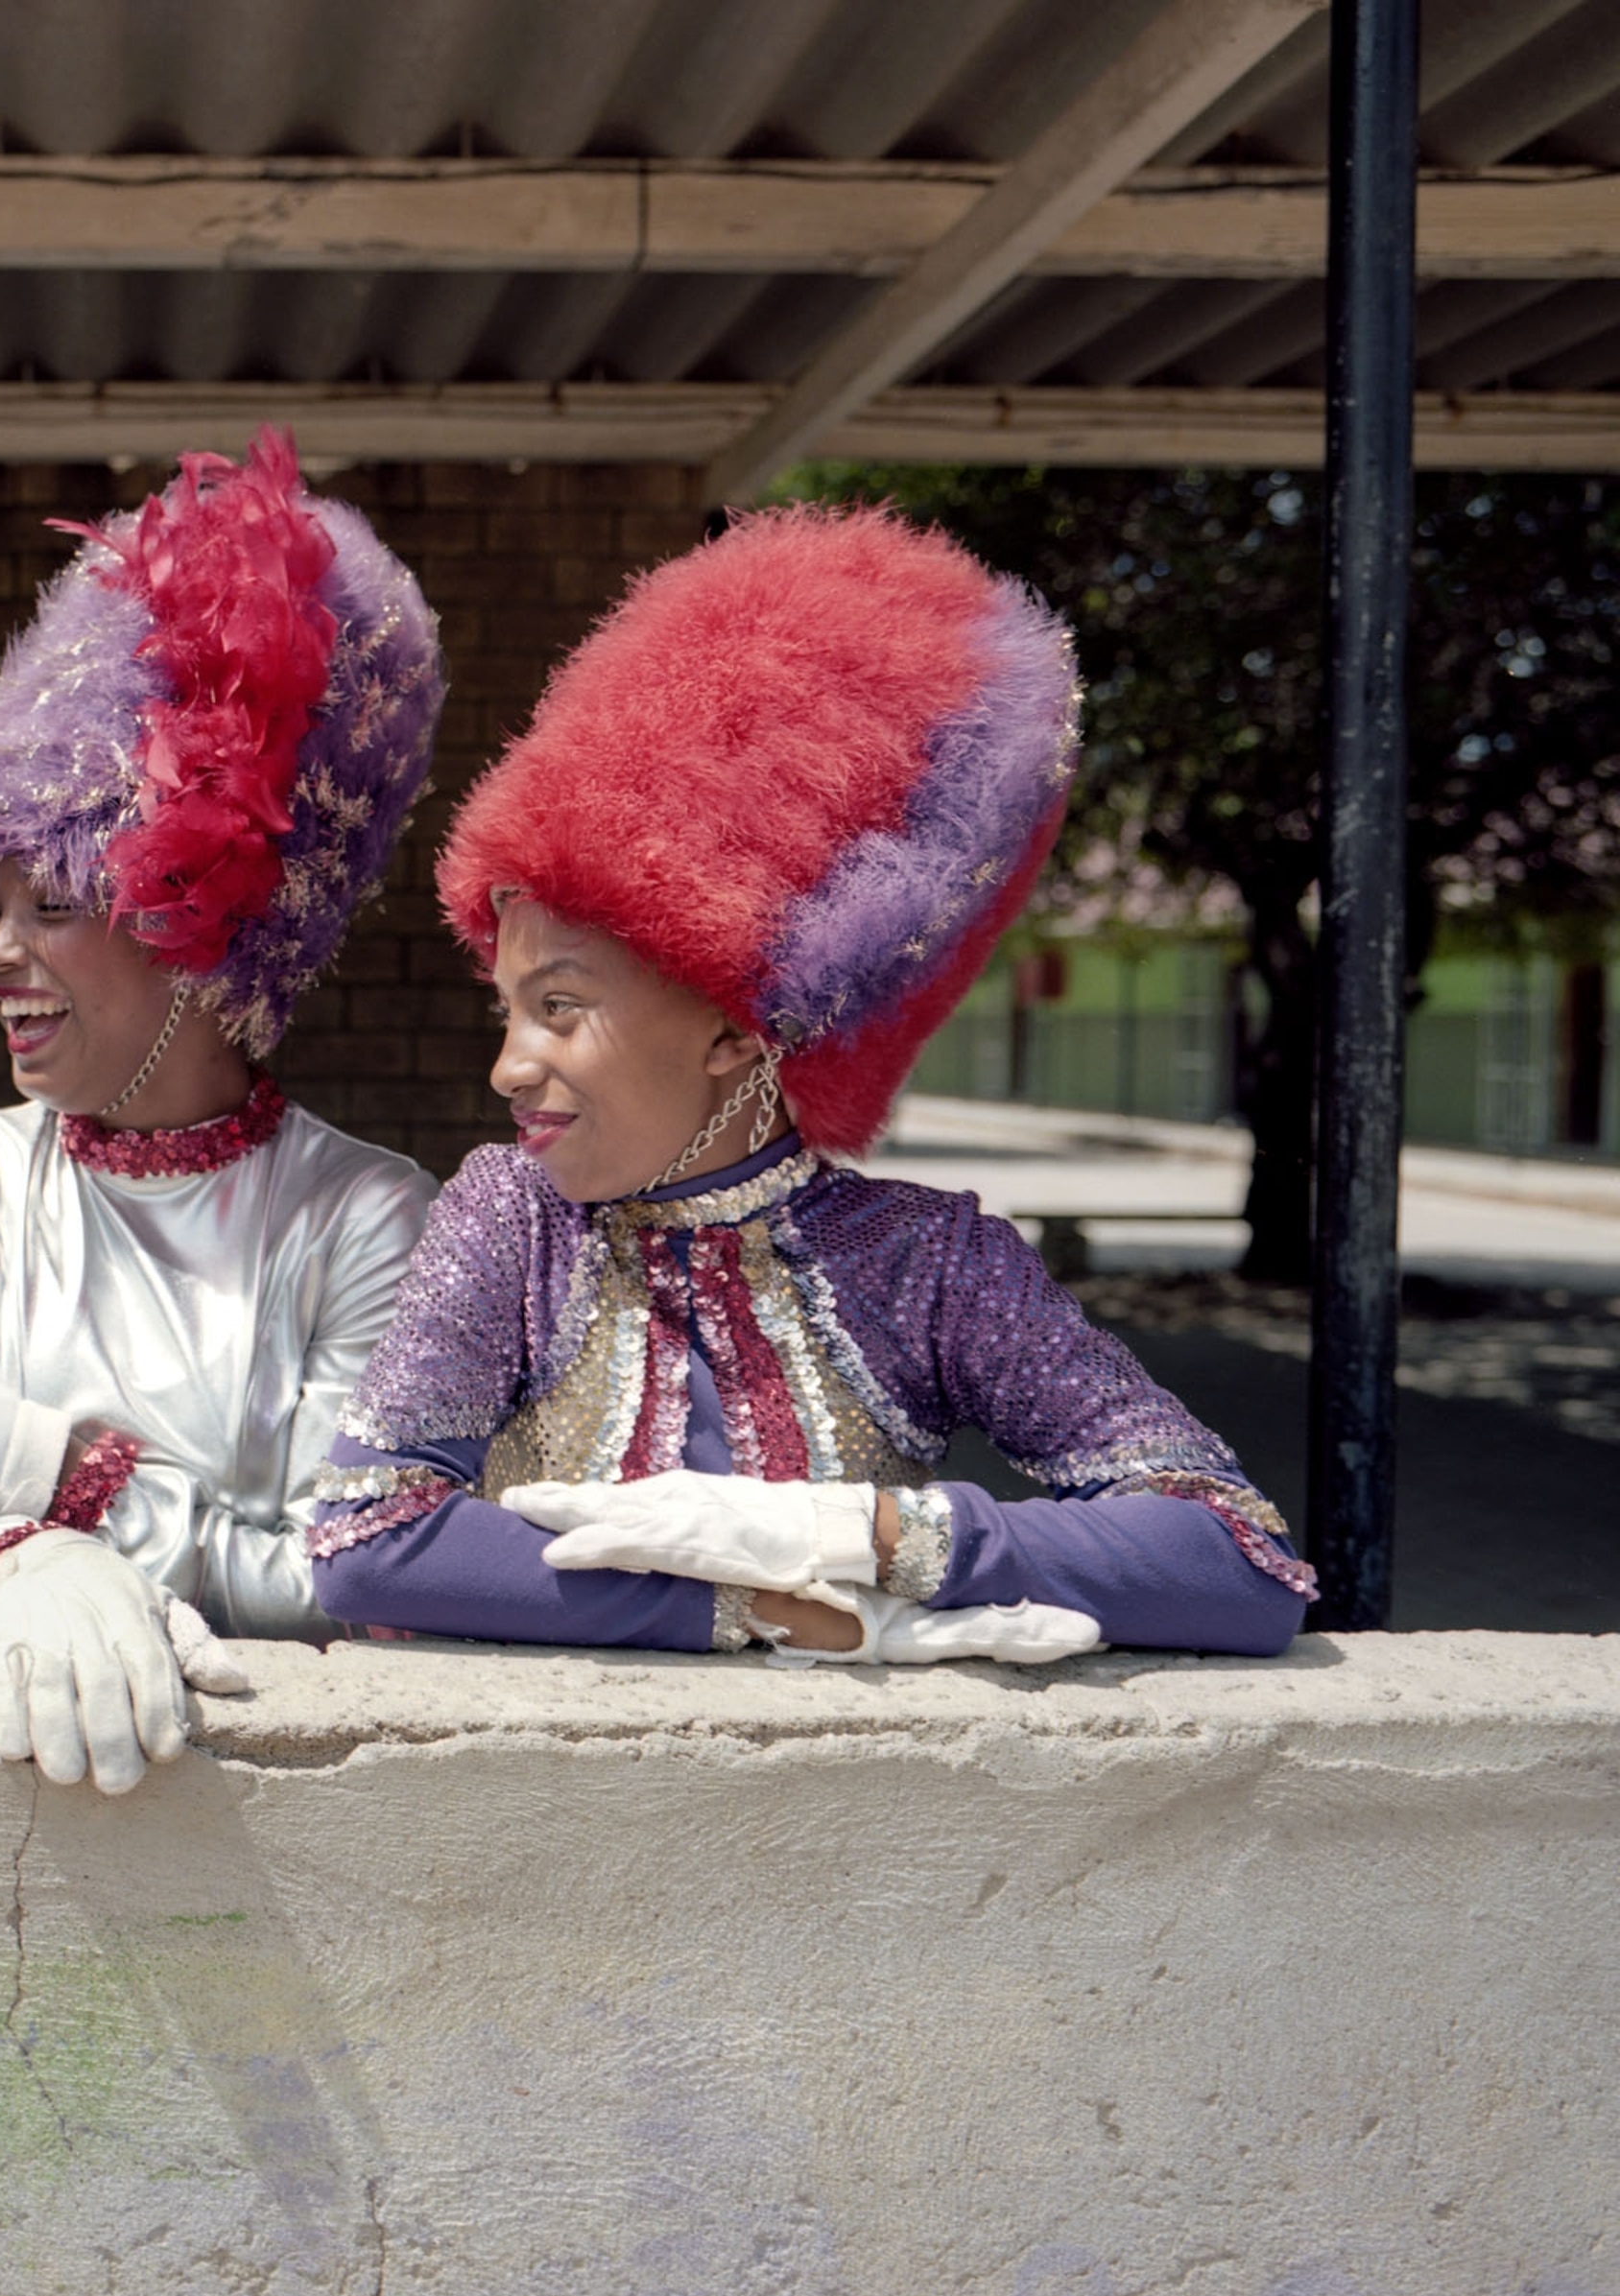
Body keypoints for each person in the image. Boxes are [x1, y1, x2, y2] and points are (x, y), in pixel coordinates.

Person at [309, 505, 1311, 1663]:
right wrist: (776, 1610)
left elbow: (1242, 1560)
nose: (509, 1065)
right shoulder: (510, 1219)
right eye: (509, 1007)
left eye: (561, 1009)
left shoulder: (930, 1261)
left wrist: (872, 1533)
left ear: (740, 1026)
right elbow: (366, 1539)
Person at [0, 429, 446, 1788]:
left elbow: (356, 1576)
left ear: (197, 917)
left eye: (53, 902)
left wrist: (66, 1475)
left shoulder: (367, 1215)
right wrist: (30, 1565)